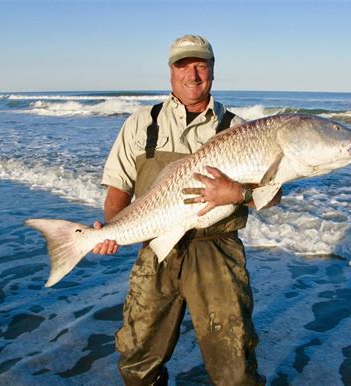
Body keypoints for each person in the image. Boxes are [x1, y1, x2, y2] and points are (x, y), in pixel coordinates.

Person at [93, 34, 281, 385]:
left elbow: (272, 197)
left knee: (235, 364)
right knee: (137, 356)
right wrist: (110, 229)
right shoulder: (141, 122)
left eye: (201, 66)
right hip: (158, 248)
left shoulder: (240, 129)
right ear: (170, 72)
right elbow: (119, 185)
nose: (192, 75)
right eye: (184, 66)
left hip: (217, 250)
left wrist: (236, 192)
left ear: (212, 71)